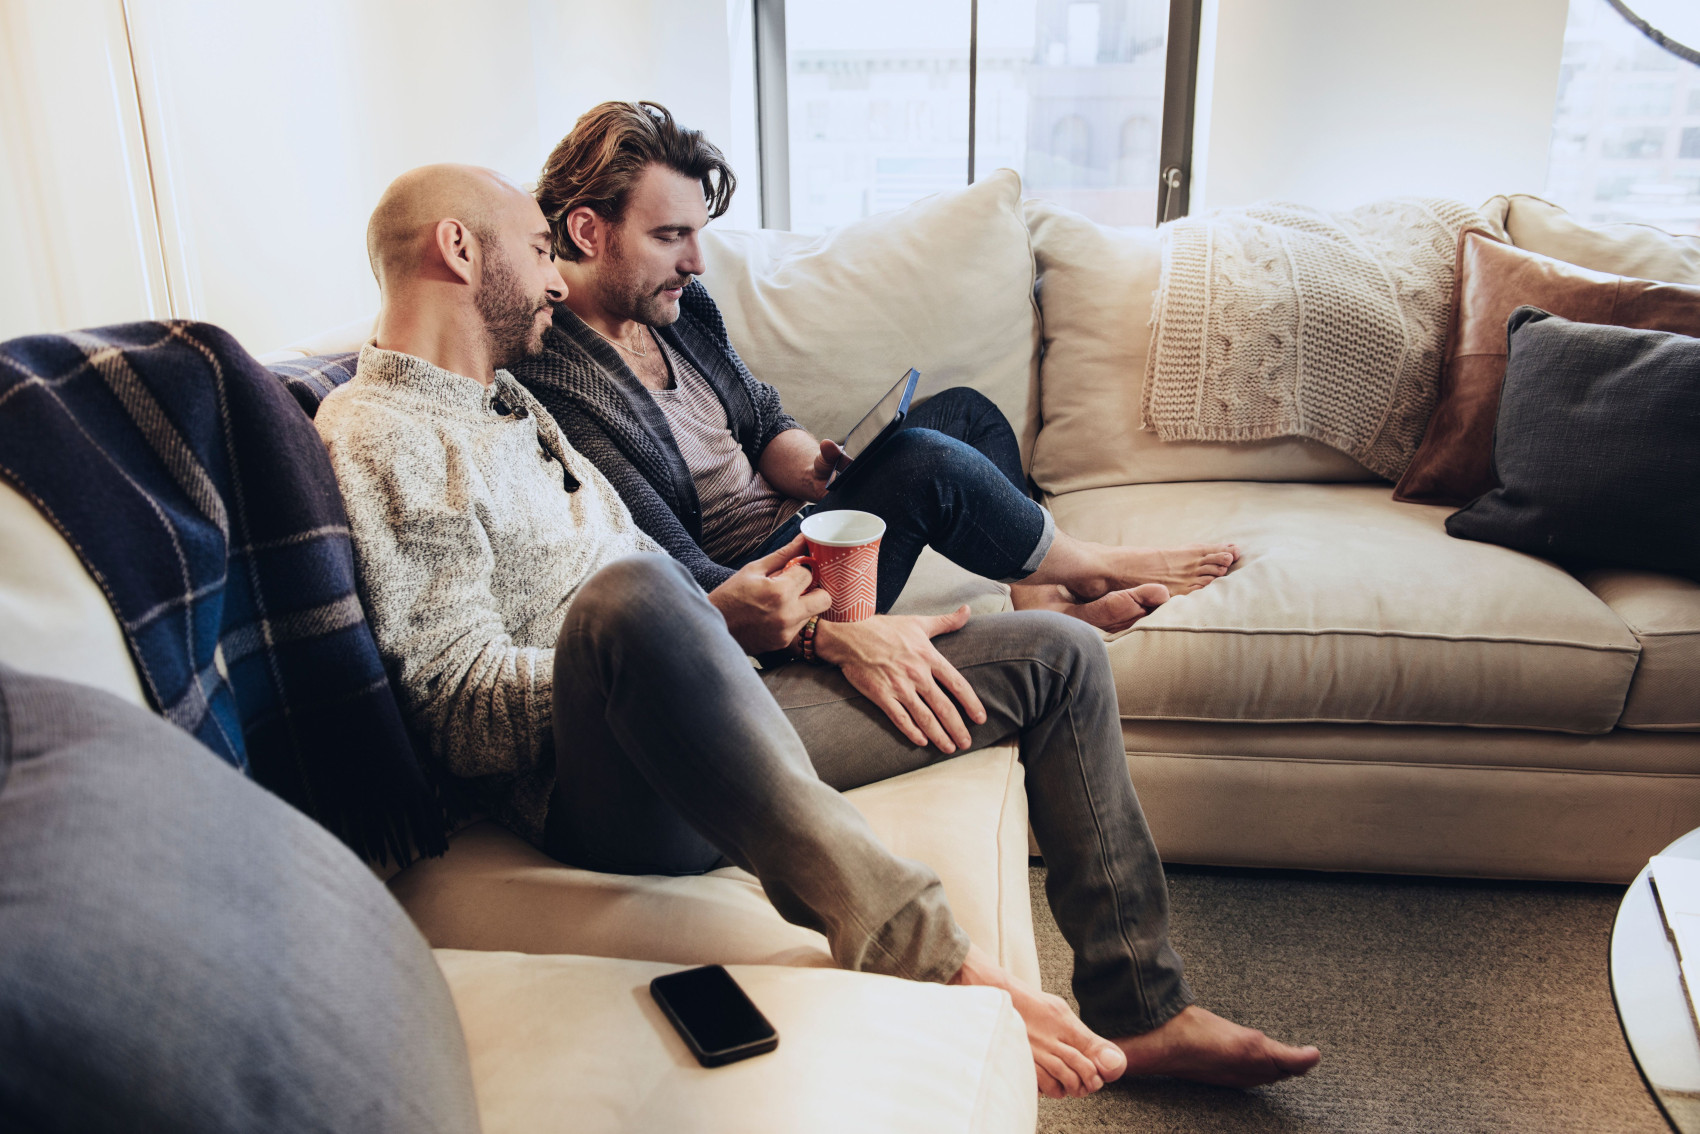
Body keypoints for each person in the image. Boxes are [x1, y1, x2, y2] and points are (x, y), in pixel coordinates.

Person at [314, 162, 1319, 1100]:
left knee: (1057, 656)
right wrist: (689, 630)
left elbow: (675, 565)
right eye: (538, 250)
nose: (551, 281)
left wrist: (780, 634)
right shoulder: (384, 434)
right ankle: (927, 949)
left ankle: (1140, 1007)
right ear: (456, 250)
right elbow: (455, 709)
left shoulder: (510, 402)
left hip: (704, 698)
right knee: (634, 602)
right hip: (599, 786)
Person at [512, 101, 1237, 636]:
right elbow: (666, 564)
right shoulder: (558, 381)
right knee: (923, 460)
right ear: (587, 230)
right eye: (671, 236)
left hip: (799, 516)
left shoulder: (680, 307)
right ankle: (1089, 566)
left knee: (966, 415)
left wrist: (815, 468)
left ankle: (1040, 596)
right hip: (770, 585)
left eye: (698, 235)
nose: (697, 263)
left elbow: (761, 417)